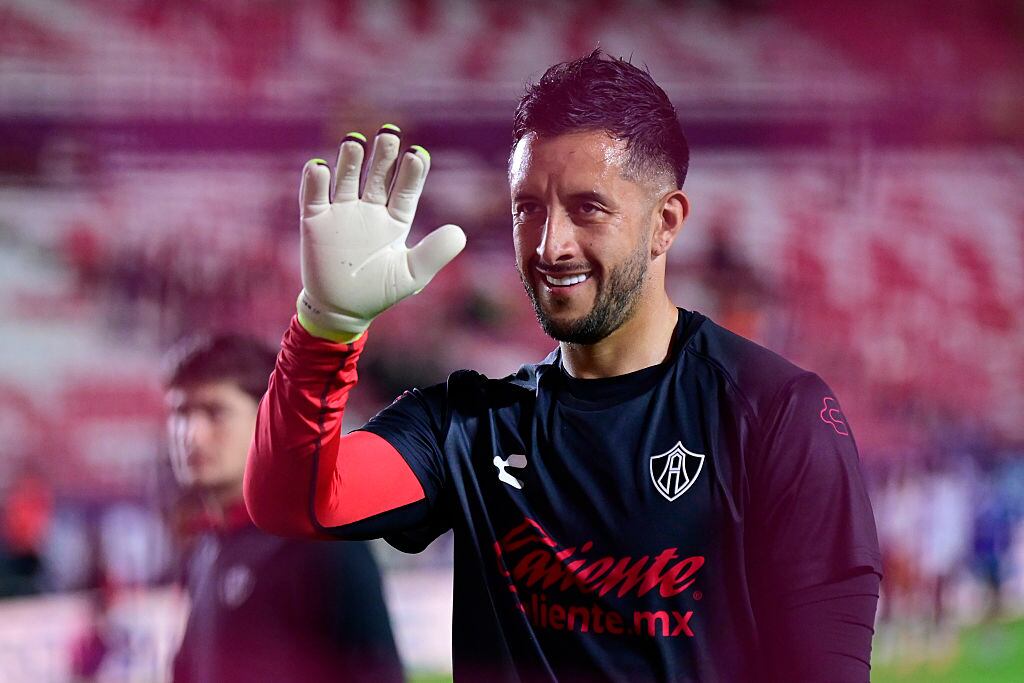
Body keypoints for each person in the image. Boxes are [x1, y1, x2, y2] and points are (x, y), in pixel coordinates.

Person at [245, 50, 882, 682]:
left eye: (588, 208)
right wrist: (327, 326)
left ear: (665, 223)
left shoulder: (775, 413)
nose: (551, 245)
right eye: (528, 209)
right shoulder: (469, 428)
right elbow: (293, 502)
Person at [163, 334, 403, 683]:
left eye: (215, 413)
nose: (191, 435)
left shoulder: (321, 540)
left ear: (269, 419)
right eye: (180, 413)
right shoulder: (205, 548)